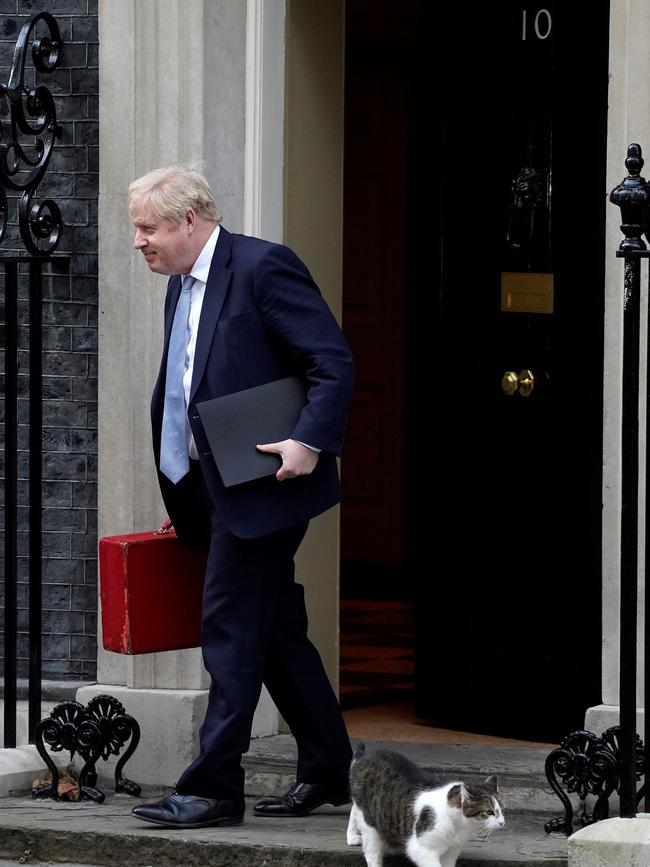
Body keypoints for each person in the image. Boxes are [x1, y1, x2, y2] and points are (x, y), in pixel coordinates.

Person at [127, 165, 355, 829]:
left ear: (189, 221)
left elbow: (332, 361)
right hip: (209, 488)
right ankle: (328, 768)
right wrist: (180, 487)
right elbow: (187, 388)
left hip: (267, 485)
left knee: (230, 632)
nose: (139, 241)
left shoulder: (263, 267)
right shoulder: (180, 285)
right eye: (136, 228)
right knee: (276, 632)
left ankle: (212, 787)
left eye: (149, 227)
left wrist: (309, 443)